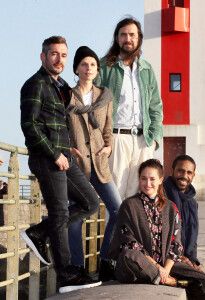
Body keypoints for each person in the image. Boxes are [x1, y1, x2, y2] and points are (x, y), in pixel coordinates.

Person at [20, 36, 101, 293]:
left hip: (63, 156)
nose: (59, 59)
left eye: (64, 55)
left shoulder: (62, 85)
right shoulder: (35, 85)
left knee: (91, 203)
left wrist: (67, 148)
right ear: (43, 56)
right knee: (60, 214)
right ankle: (66, 276)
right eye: (54, 54)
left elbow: (58, 122)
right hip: (47, 159)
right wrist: (56, 153)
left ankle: (39, 233)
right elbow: (30, 126)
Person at [108, 159, 205, 300]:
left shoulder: (171, 207)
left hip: (167, 264)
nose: (147, 184)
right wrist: (158, 268)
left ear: (161, 180)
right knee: (129, 256)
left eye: (152, 179)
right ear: (139, 179)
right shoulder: (129, 205)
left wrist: (166, 269)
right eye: (143, 179)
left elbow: (176, 245)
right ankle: (170, 281)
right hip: (140, 265)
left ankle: (162, 277)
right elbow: (129, 242)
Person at [66, 46, 122, 280]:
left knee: (118, 211)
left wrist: (108, 147)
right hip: (77, 165)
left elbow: (108, 126)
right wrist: (67, 149)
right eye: (84, 64)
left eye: (93, 65)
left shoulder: (105, 96)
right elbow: (60, 127)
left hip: (100, 163)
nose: (89, 68)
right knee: (76, 217)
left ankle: (106, 261)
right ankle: (77, 267)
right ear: (77, 69)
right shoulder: (66, 96)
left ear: (97, 70)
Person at [95, 17, 163, 200]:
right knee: (116, 194)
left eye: (132, 34)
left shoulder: (147, 69)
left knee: (140, 196)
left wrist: (155, 139)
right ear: (117, 38)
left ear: (139, 38)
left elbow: (155, 107)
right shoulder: (104, 67)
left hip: (144, 140)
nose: (128, 38)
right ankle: (115, 230)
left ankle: (134, 230)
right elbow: (92, 104)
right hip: (116, 137)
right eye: (123, 34)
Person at [163, 155, 200, 268]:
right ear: (172, 171)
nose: (184, 176)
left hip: (184, 258)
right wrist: (177, 256)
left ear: (193, 176)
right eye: (180, 171)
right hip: (166, 258)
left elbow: (193, 237)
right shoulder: (162, 195)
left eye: (189, 172)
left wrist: (192, 259)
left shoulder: (192, 203)